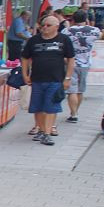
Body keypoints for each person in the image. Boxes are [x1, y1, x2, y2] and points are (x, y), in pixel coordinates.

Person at [23, 15, 75, 146]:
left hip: (56, 79)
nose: (44, 27)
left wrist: (68, 78)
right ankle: (41, 130)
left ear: (57, 27)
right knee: (37, 107)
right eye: (43, 25)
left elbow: (71, 59)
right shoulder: (33, 40)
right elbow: (24, 57)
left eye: (48, 25)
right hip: (37, 79)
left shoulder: (64, 40)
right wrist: (25, 74)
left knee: (51, 107)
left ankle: (47, 133)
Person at [62, 10, 101, 123]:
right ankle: (76, 111)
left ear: (73, 19)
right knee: (80, 90)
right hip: (86, 63)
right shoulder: (94, 30)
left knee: (71, 90)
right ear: (86, 19)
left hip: (71, 62)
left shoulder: (66, 31)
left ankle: (73, 114)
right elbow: (100, 36)